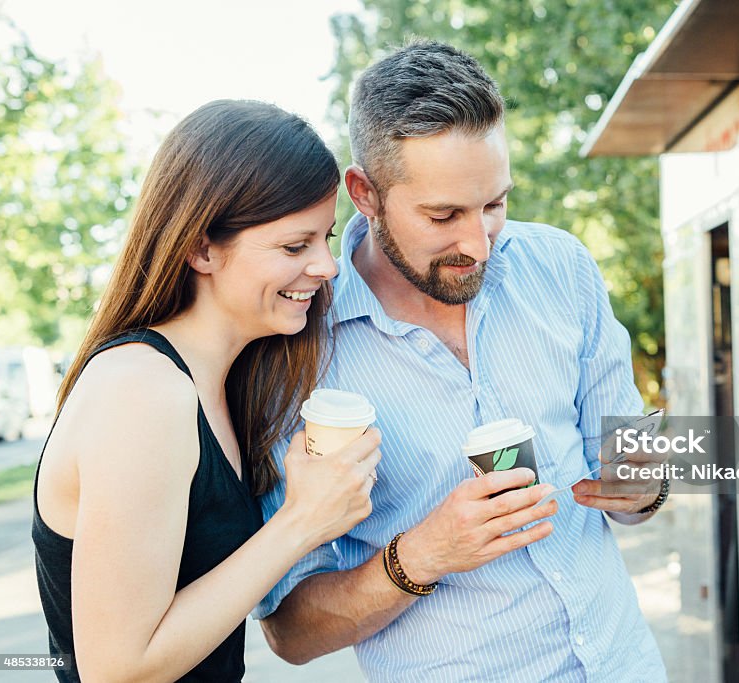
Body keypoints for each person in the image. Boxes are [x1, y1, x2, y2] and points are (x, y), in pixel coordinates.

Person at [256, 41, 668, 681]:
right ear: (365, 193)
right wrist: (421, 555)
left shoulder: (561, 269)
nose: (478, 244)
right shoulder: (294, 350)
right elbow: (291, 631)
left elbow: (625, 486)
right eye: (442, 214)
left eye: (495, 204)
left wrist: (646, 479)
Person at [32, 100, 381, 682]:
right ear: (201, 249)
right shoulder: (144, 392)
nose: (328, 266)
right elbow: (116, 670)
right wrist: (301, 522)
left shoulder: (222, 382)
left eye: (325, 237)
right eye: (296, 246)